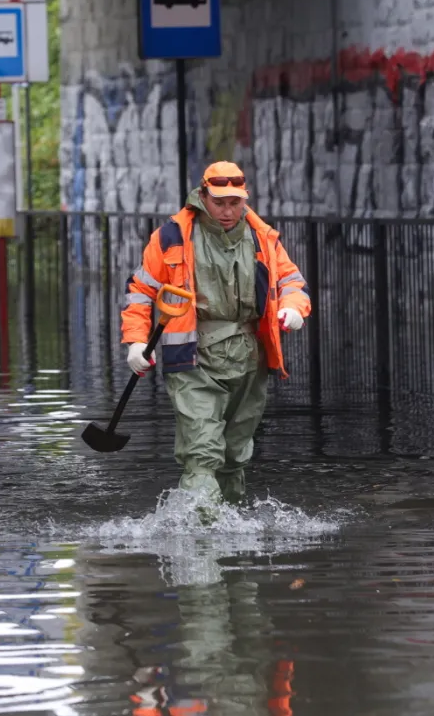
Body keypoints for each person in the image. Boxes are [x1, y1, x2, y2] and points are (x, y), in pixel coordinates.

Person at [119, 161, 311, 505]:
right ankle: (200, 543)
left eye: (234, 202)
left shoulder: (262, 237)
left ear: (245, 198)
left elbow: (291, 281)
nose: (227, 210)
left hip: (250, 359)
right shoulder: (172, 237)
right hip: (194, 360)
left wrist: (295, 308)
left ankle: (230, 535)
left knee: (235, 456)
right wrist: (136, 341)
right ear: (202, 196)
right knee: (202, 453)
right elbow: (141, 292)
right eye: (219, 202)